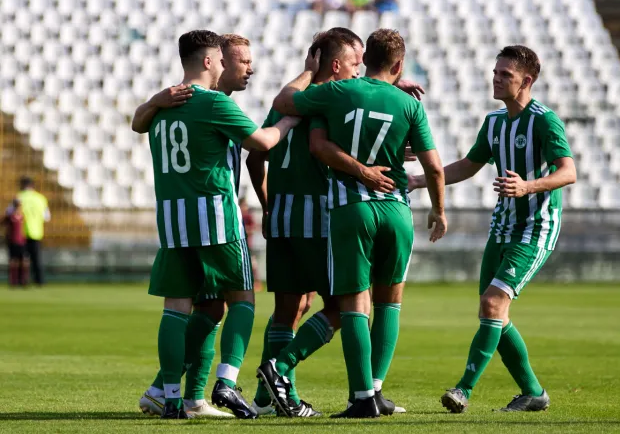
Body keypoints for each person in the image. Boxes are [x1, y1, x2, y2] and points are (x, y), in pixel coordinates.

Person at [258, 28, 447, 419]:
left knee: (308, 305)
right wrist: (439, 210)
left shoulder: (332, 96)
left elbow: (311, 139)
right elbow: (433, 166)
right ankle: (367, 390)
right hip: (389, 208)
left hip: (331, 211)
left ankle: (292, 386)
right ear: (396, 64)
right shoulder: (405, 104)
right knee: (381, 302)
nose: (357, 66)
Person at [139, 29, 299, 419]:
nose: (239, 67)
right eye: (231, 60)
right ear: (212, 61)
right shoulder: (211, 104)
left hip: (173, 220)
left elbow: (138, 122)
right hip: (214, 218)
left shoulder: (163, 105)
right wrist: (290, 119)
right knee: (243, 297)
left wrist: (151, 102)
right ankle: (227, 380)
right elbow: (262, 143)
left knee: (178, 310)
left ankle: (176, 398)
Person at [410, 45, 576, 414]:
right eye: (496, 72)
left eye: (506, 75)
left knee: (492, 303)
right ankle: (533, 393)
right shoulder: (495, 122)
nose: (496, 79)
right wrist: (421, 181)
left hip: (536, 228)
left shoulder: (545, 120)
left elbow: (568, 172)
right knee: (494, 315)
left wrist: (528, 186)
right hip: (501, 228)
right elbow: (470, 165)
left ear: (527, 81)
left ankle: (463, 389)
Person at [16, 177, 49, 287]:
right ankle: (39, 281)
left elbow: (11, 212)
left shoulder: (19, 197)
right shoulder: (41, 198)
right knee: (36, 259)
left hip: (21, 233)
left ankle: (21, 281)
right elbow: (47, 217)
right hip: (36, 232)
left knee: (21, 259)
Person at [238, 197, 262, 292]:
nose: (245, 207)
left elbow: (254, 228)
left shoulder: (248, 217)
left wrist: (245, 230)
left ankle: (256, 283)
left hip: (248, 245)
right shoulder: (238, 215)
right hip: (238, 245)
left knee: (253, 264)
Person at [3, 199, 27, 287]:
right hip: (12, 241)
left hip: (21, 241)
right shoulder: (10, 217)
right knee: (13, 261)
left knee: (23, 261)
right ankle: (13, 281)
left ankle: (23, 280)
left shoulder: (23, 216)